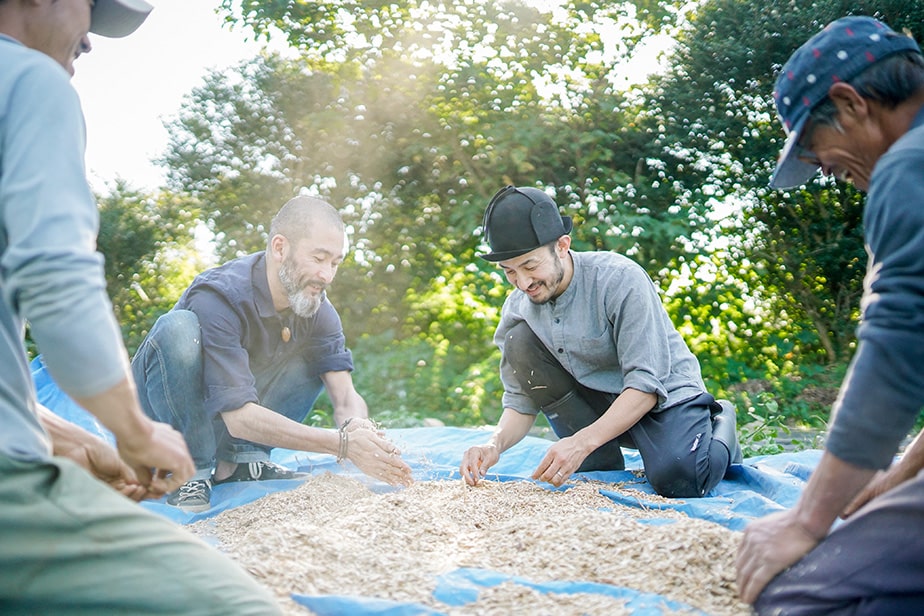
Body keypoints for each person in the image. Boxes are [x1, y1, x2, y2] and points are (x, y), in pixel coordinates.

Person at [0, 0, 282, 613]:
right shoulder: (28, 80)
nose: (92, 43)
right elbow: (58, 282)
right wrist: (134, 430)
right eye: (90, 8)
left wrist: (68, 438)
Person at [736, 16, 924, 613]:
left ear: (850, 104)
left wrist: (807, 520)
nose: (834, 177)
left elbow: (896, 359)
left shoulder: (908, 167)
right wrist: (896, 476)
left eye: (824, 160)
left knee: (794, 591)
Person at [132, 195, 414, 512]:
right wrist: (343, 445)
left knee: (313, 356)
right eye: (319, 258)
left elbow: (346, 397)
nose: (327, 276)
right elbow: (238, 417)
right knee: (178, 329)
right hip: (160, 424)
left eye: (335, 263)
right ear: (280, 248)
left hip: (228, 424)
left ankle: (242, 462)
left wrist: (361, 433)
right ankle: (189, 470)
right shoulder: (219, 296)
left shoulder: (319, 309)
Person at [459, 185, 741, 498]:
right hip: (600, 403)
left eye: (530, 265)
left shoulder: (619, 279)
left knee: (681, 478)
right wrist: (493, 444)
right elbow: (520, 402)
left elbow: (646, 385)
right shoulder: (517, 309)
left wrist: (581, 441)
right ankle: (599, 458)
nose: (523, 283)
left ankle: (719, 421)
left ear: (562, 246)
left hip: (663, 399)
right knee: (518, 340)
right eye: (509, 271)